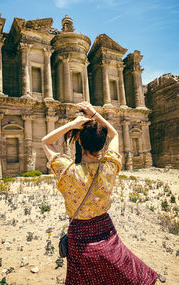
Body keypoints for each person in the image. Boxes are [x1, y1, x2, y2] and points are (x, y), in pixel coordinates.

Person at [42, 101, 164, 285]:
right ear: (102, 144)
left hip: (79, 237)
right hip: (105, 230)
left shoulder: (67, 171)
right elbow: (114, 133)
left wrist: (74, 124)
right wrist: (95, 115)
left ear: (79, 140)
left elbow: (46, 141)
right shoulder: (109, 166)